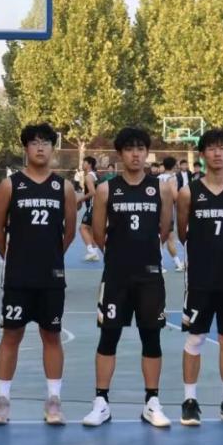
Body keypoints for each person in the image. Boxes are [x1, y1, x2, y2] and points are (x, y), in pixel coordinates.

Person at [83, 127, 173, 429]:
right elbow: (98, 233)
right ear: (120, 154)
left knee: (152, 337)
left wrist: (145, 252)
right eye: (130, 149)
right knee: (109, 336)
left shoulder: (161, 188)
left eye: (140, 149)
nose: (135, 154)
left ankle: (152, 402)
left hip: (150, 276)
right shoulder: (107, 189)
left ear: (146, 153)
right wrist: (120, 255)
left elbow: (164, 229)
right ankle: (101, 401)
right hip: (116, 276)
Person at [0, 124, 77, 424]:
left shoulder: (63, 188)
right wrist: (12, 258)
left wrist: (52, 256)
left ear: (53, 148)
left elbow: (69, 231)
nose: (40, 147)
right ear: (26, 148)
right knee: (11, 334)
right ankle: (2, 400)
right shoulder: (10, 185)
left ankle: (54, 400)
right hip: (18, 276)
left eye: (46, 142)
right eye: (34, 142)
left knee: (52, 335)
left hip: (51, 276)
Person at [175, 130, 223, 427]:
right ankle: (189, 400)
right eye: (212, 148)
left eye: (222, 148)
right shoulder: (189, 192)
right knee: (195, 337)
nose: (218, 153)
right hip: (200, 276)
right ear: (203, 154)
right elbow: (183, 232)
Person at [158, 157, 186, 272]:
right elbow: (175, 195)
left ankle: (178, 264)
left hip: (157, 210)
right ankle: (160, 265)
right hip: (167, 211)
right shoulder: (172, 178)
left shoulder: (159, 178)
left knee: (166, 238)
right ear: (174, 166)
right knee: (166, 239)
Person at [78, 156, 101, 262]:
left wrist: (79, 200)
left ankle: (91, 251)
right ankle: (95, 253)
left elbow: (92, 192)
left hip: (93, 205)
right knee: (90, 230)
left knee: (82, 228)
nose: (82, 164)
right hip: (98, 205)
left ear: (89, 164)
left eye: (84, 162)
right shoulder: (94, 175)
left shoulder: (88, 177)